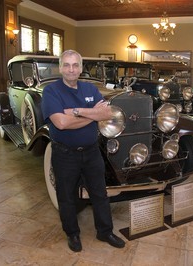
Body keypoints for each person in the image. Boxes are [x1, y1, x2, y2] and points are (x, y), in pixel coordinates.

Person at [41, 50, 125, 252]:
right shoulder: (51, 91)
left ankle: (105, 231)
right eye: (67, 65)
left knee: (100, 194)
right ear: (60, 67)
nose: (71, 69)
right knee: (67, 196)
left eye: (75, 65)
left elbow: (106, 112)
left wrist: (77, 112)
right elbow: (61, 123)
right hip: (64, 153)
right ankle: (73, 234)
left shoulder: (90, 88)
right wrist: (92, 115)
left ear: (81, 68)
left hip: (91, 151)